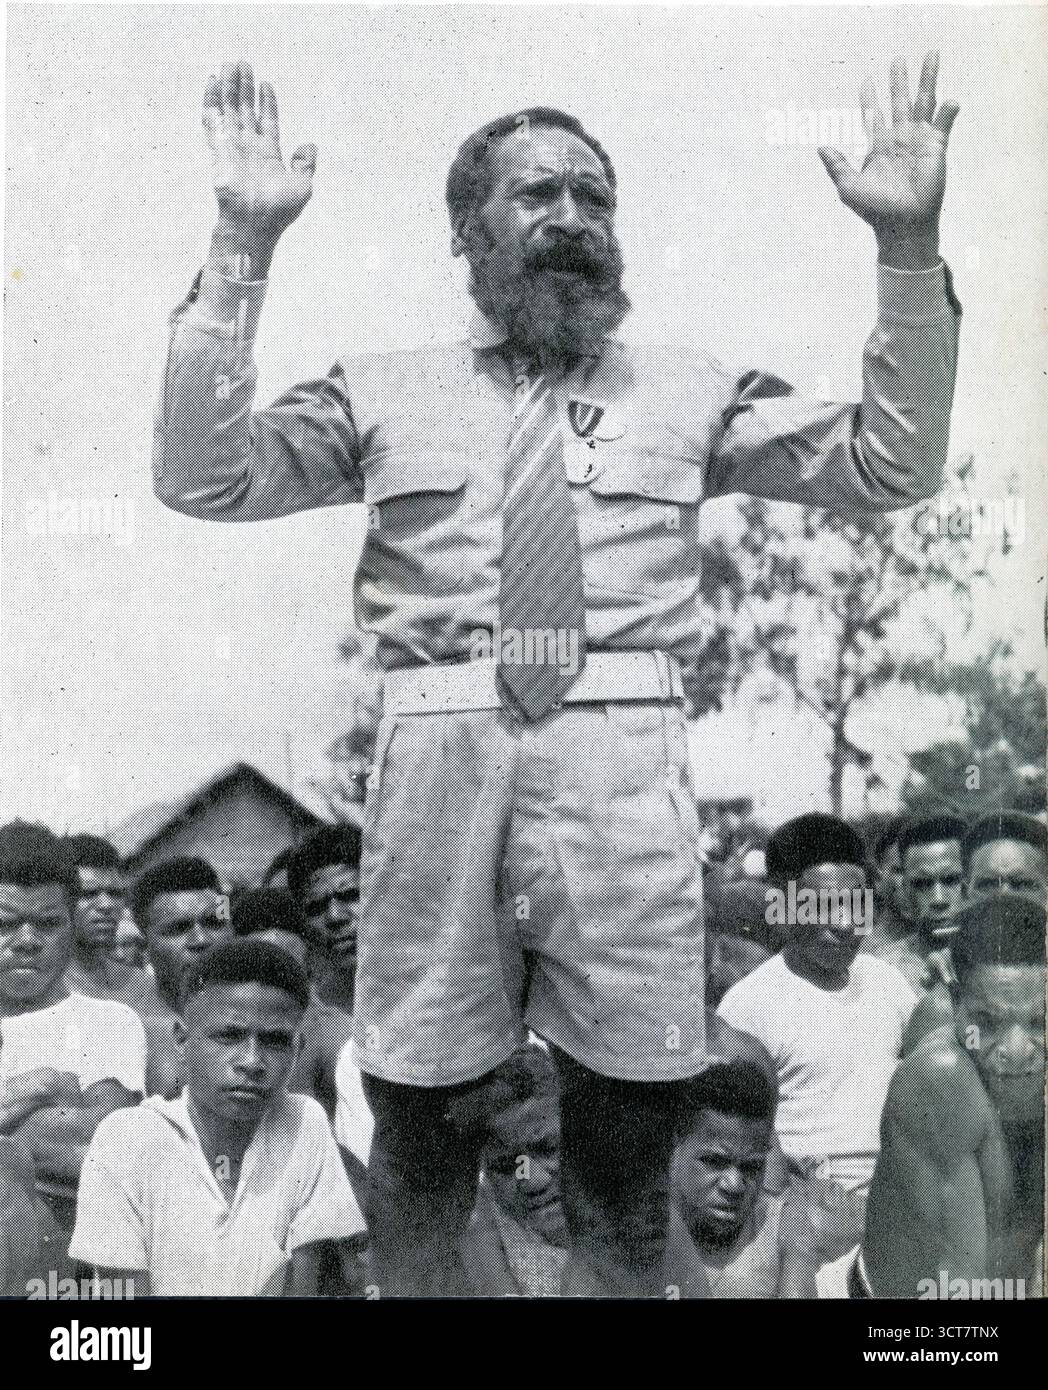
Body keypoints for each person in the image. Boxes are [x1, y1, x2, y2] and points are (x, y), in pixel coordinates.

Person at [154, 57, 960, 1296]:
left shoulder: (687, 389)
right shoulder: (385, 389)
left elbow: (890, 463)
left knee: (632, 1156)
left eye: (594, 196)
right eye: (537, 196)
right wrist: (240, 242)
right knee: (422, 1133)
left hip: (620, 769)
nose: (572, 219)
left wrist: (907, 247)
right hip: (438, 760)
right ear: (469, 229)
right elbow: (204, 477)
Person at [69, 938, 365, 1296]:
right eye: (228, 1037)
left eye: (274, 1041)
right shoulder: (126, 1140)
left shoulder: (304, 1123)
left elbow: (302, 1282)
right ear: (181, 1039)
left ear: (298, 1049)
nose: (252, 1062)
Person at [821, 893, 1044, 1298]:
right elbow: (957, 1285)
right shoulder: (942, 1079)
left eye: (1039, 1021)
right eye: (989, 1022)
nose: (1017, 1049)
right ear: (955, 1004)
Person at [719, 814, 916, 1201]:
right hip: (806, 1198)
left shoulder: (890, 984)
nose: (844, 924)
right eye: (823, 907)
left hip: (898, 1185)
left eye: (856, 905)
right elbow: (739, 1132)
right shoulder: (748, 1006)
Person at [0, 823, 146, 1281]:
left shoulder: (108, 1023)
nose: (26, 939)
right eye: (5, 922)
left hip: (59, 1283)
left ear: (71, 926)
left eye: (46, 922)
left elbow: (97, 1156)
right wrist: (44, 1087)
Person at [902, 811, 1048, 1053]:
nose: (1004, 897)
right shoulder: (944, 1006)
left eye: (1022, 884)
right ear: (966, 893)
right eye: (988, 884)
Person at [670, 1059, 817, 1297]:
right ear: (675, 1146)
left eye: (751, 1167)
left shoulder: (786, 1228)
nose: (735, 1185)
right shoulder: (627, 1228)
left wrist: (798, 1258)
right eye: (715, 1162)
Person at [130, 857, 234, 1097]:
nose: (201, 940)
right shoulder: (128, 1027)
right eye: (178, 929)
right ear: (144, 944)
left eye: (214, 924)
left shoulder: (268, 1016)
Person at [863, 813, 965, 989]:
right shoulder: (879, 974)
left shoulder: (1012, 959)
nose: (938, 899)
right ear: (905, 888)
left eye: (951, 880)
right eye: (922, 884)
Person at [61, 835, 153, 1010]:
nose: (106, 905)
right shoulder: (40, 991)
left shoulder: (142, 983)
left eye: (115, 893)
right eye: (88, 894)